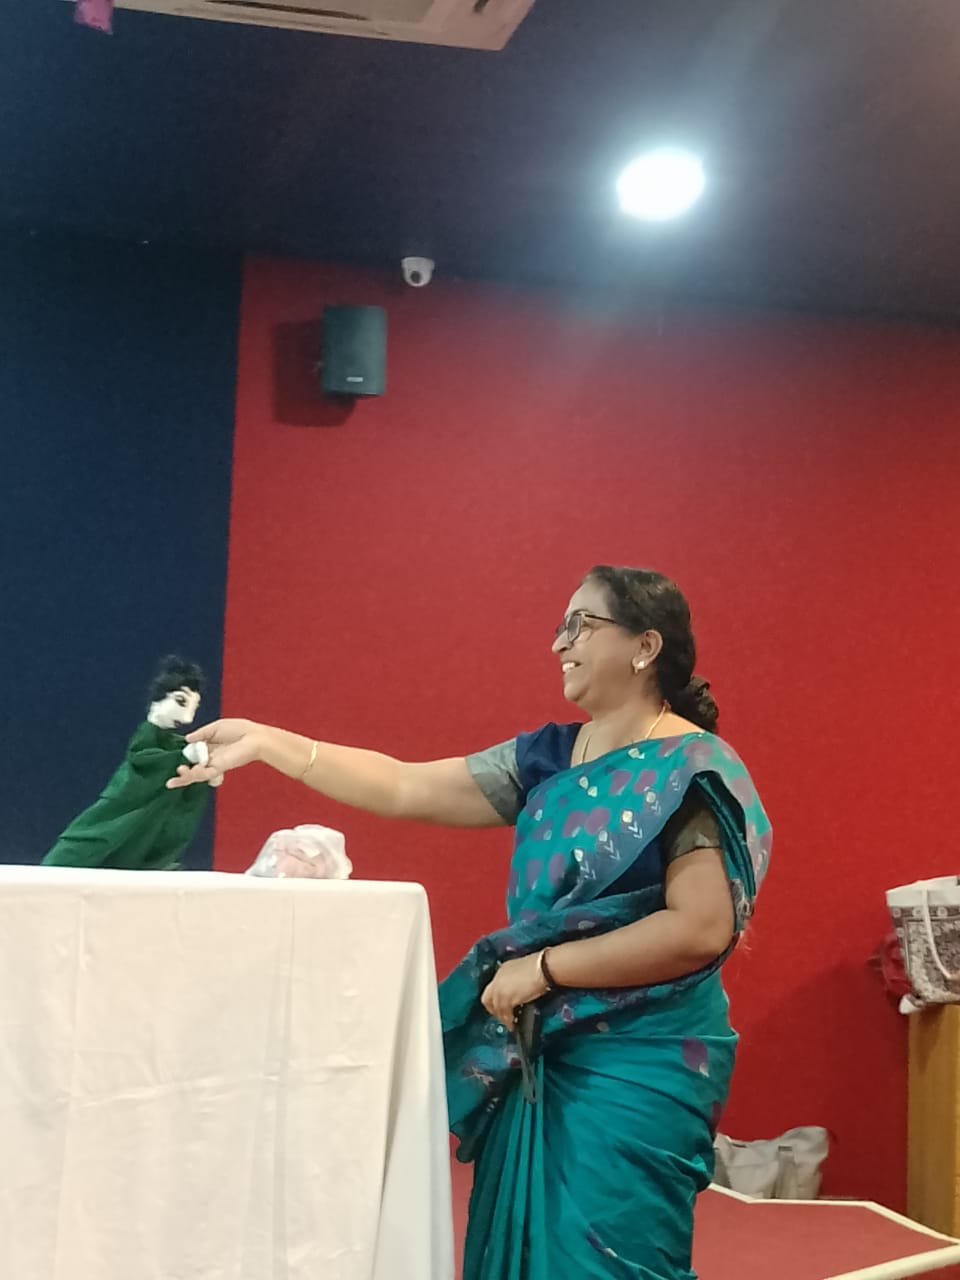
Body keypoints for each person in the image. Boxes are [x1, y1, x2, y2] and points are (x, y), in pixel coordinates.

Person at [168, 566, 771, 1280]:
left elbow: (699, 928)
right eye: (561, 627)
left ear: (645, 646)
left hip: (639, 1062)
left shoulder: (690, 769)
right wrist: (273, 744)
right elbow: (404, 784)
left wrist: (544, 969)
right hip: (539, 1050)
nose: (560, 644)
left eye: (582, 625)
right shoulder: (548, 758)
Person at [43, 655, 215, 871]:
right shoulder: (146, 737)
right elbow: (142, 759)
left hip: (154, 809)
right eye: (181, 702)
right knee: (102, 833)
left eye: (194, 708)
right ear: (158, 699)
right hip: (127, 798)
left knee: (155, 832)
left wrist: (204, 771)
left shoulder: (177, 742)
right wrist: (184, 757)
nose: (188, 718)